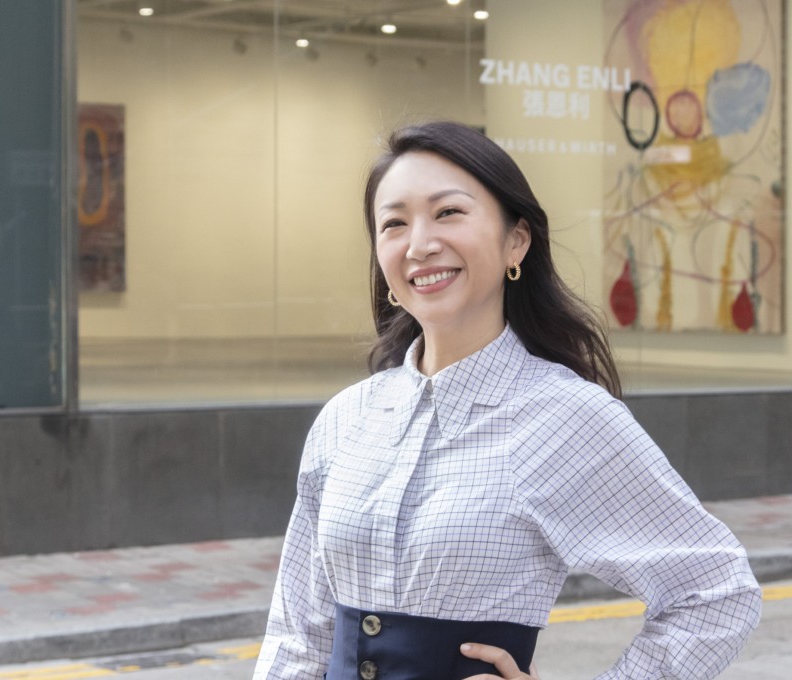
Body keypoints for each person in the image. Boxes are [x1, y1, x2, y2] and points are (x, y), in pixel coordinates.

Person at [254, 120, 761, 680]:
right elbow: (299, 634)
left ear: (516, 240)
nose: (420, 244)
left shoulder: (566, 418)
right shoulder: (345, 419)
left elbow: (717, 591)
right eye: (394, 223)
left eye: (448, 213)